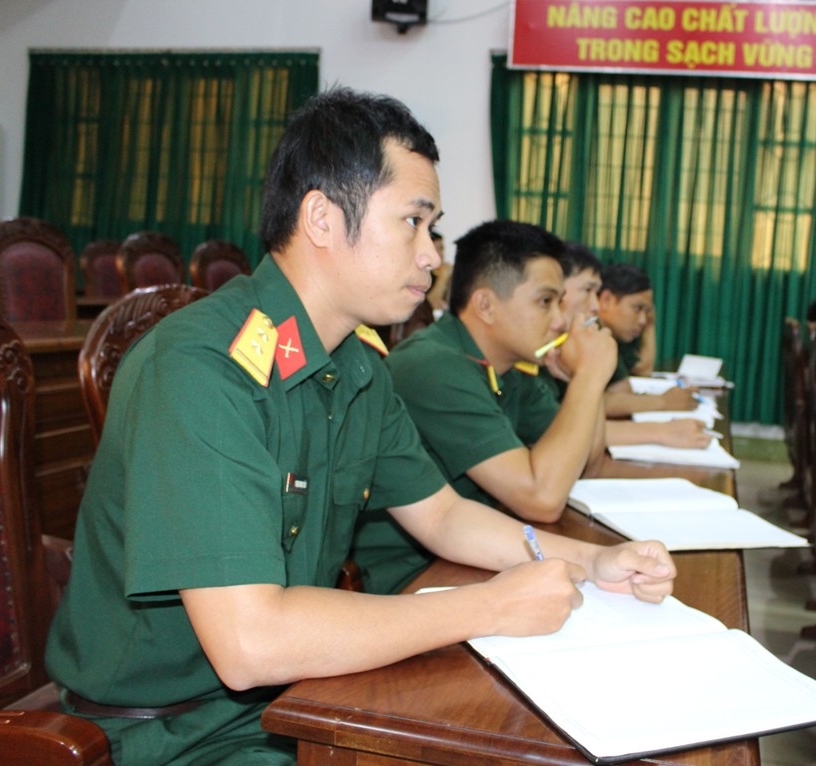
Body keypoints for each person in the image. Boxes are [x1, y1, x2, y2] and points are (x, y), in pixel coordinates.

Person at [44, 88, 676, 766]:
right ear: (321, 217)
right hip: (169, 735)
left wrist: (589, 562)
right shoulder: (201, 369)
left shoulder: (356, 367)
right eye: (413, 222)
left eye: (432, 228)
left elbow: (443, 516)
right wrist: (488, 608)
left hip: (298, 694)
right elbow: (249, 642)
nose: (432, 256)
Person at [350, 220, 621, 594]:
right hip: (408, 576)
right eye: (545, 301)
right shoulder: (432, 366)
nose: (560, 321)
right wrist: (590, 376)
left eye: (560, 303)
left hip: (474, 552)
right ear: (486, 305)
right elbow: (541, 498)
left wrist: (586, 382)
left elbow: (588, 464)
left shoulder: (512, 368)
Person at [551, 244, 711, 449]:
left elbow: (623, 387)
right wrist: (662, 414)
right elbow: (561, 431)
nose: (595, 306)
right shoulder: (556, 350)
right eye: (637, 309)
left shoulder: (597, 335)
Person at [596, 263, 706, 420]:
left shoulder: (614, 335)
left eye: (647, 311)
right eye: (637, 308)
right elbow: (599, 402)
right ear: (606, 300)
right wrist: (664, 401)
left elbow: (640, 374)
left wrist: (650, 325)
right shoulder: (592, 334)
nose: (643, 320)